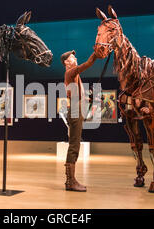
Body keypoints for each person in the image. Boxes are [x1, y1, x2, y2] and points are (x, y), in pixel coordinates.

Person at [61, 50, 98, 192]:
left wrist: (87, 98)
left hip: (77, 110)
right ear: (66, 62)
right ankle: (70, 182)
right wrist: (95, 53)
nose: (75, 57)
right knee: (74, 146)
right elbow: (88, 64)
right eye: (72, 57)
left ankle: (71, 181)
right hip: (75, 112)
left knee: (74, 145)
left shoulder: (73, 75)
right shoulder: (71, 72)